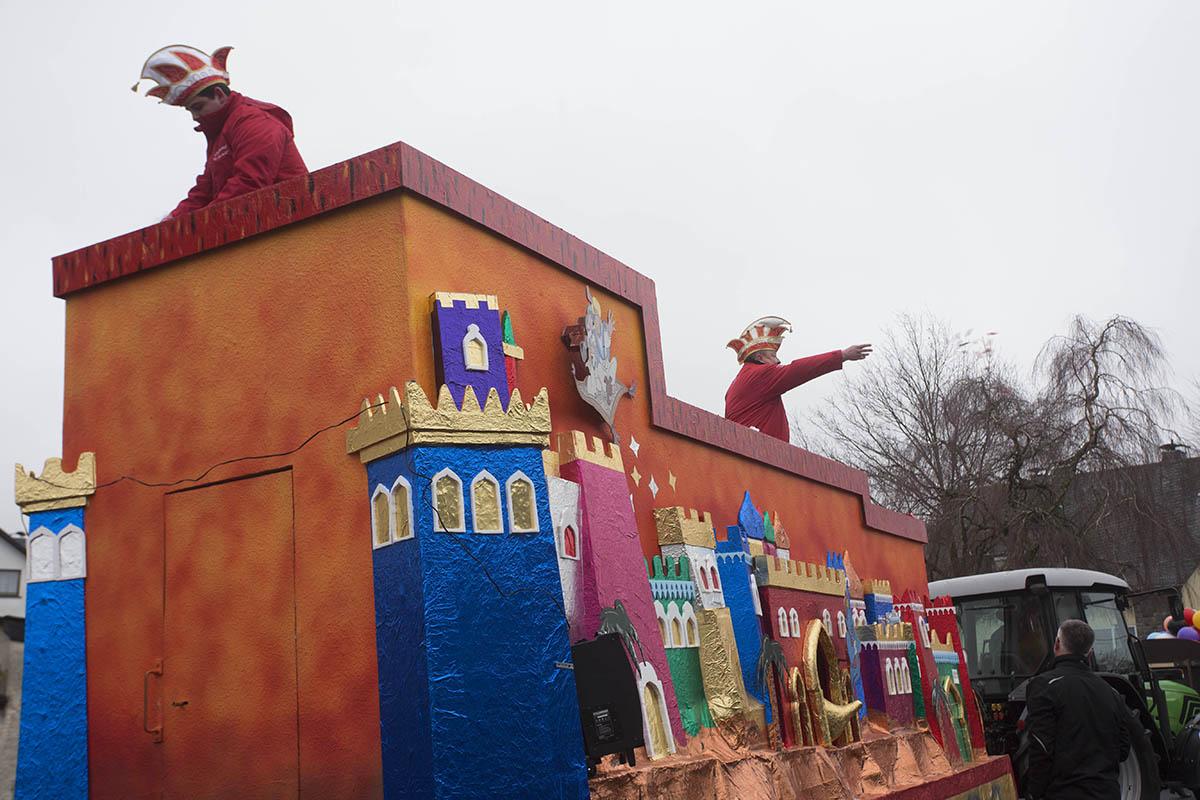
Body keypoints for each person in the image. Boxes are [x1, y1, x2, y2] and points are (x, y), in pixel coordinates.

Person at [132, 45, 308, 218]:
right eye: (190, 111)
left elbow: (249, 183)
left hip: (292, 225)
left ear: (219, 95)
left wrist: (200, 222)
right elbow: (204, 191)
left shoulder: (253, 121)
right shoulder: (221, 133)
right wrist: (172, 221)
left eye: (198, 107)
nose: (195, 117)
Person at [1024, 619, 1131, 800]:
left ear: (1057, 643)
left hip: (1065, 792)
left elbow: (1041, 747)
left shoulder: (1044, 686)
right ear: (1090, 653)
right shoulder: (1110, 691)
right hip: (1107, 792)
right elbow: (1123, 748)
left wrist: (1035, 792)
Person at [724, 316, 871, 442]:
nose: (778, 361)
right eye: (773, 356)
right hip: (758, 456)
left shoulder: (737, 383)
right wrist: (842, 355)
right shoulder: (760, 375)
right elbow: (798, 370)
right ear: (759, 358)